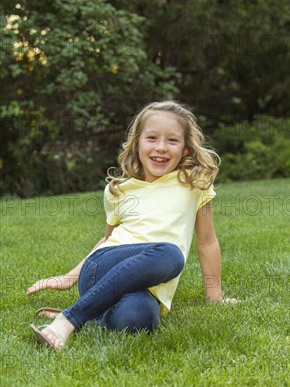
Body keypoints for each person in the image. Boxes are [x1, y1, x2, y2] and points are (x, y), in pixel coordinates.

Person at [28, 100, 238, 351]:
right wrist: (70, 277)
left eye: (172, 140)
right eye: (152, 138)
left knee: (142, 318)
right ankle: (67, 320)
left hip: (147, 289)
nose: (161, 147)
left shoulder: (194, 183)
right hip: (100, 270)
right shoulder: (118, 190)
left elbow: (207, 241)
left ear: (185, 149)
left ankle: (90, 315)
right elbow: (108, 241)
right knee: (171, 254)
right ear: (137, 142)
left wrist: (214, 296)